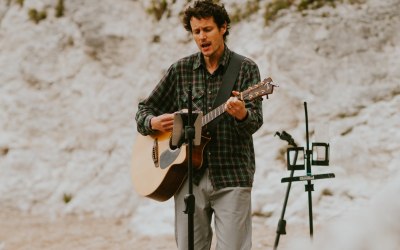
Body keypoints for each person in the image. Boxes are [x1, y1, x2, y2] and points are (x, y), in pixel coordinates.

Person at [135, 1, 263, 249]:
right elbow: (143, 110)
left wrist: (241, 114)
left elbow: (255, 122)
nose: (202, 37)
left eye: (207, 29)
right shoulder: (181, 70)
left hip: (232, 175)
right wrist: (152, 122)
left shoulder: (246, 69)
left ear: (223, 27)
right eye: (196, 32)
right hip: (187, 176)